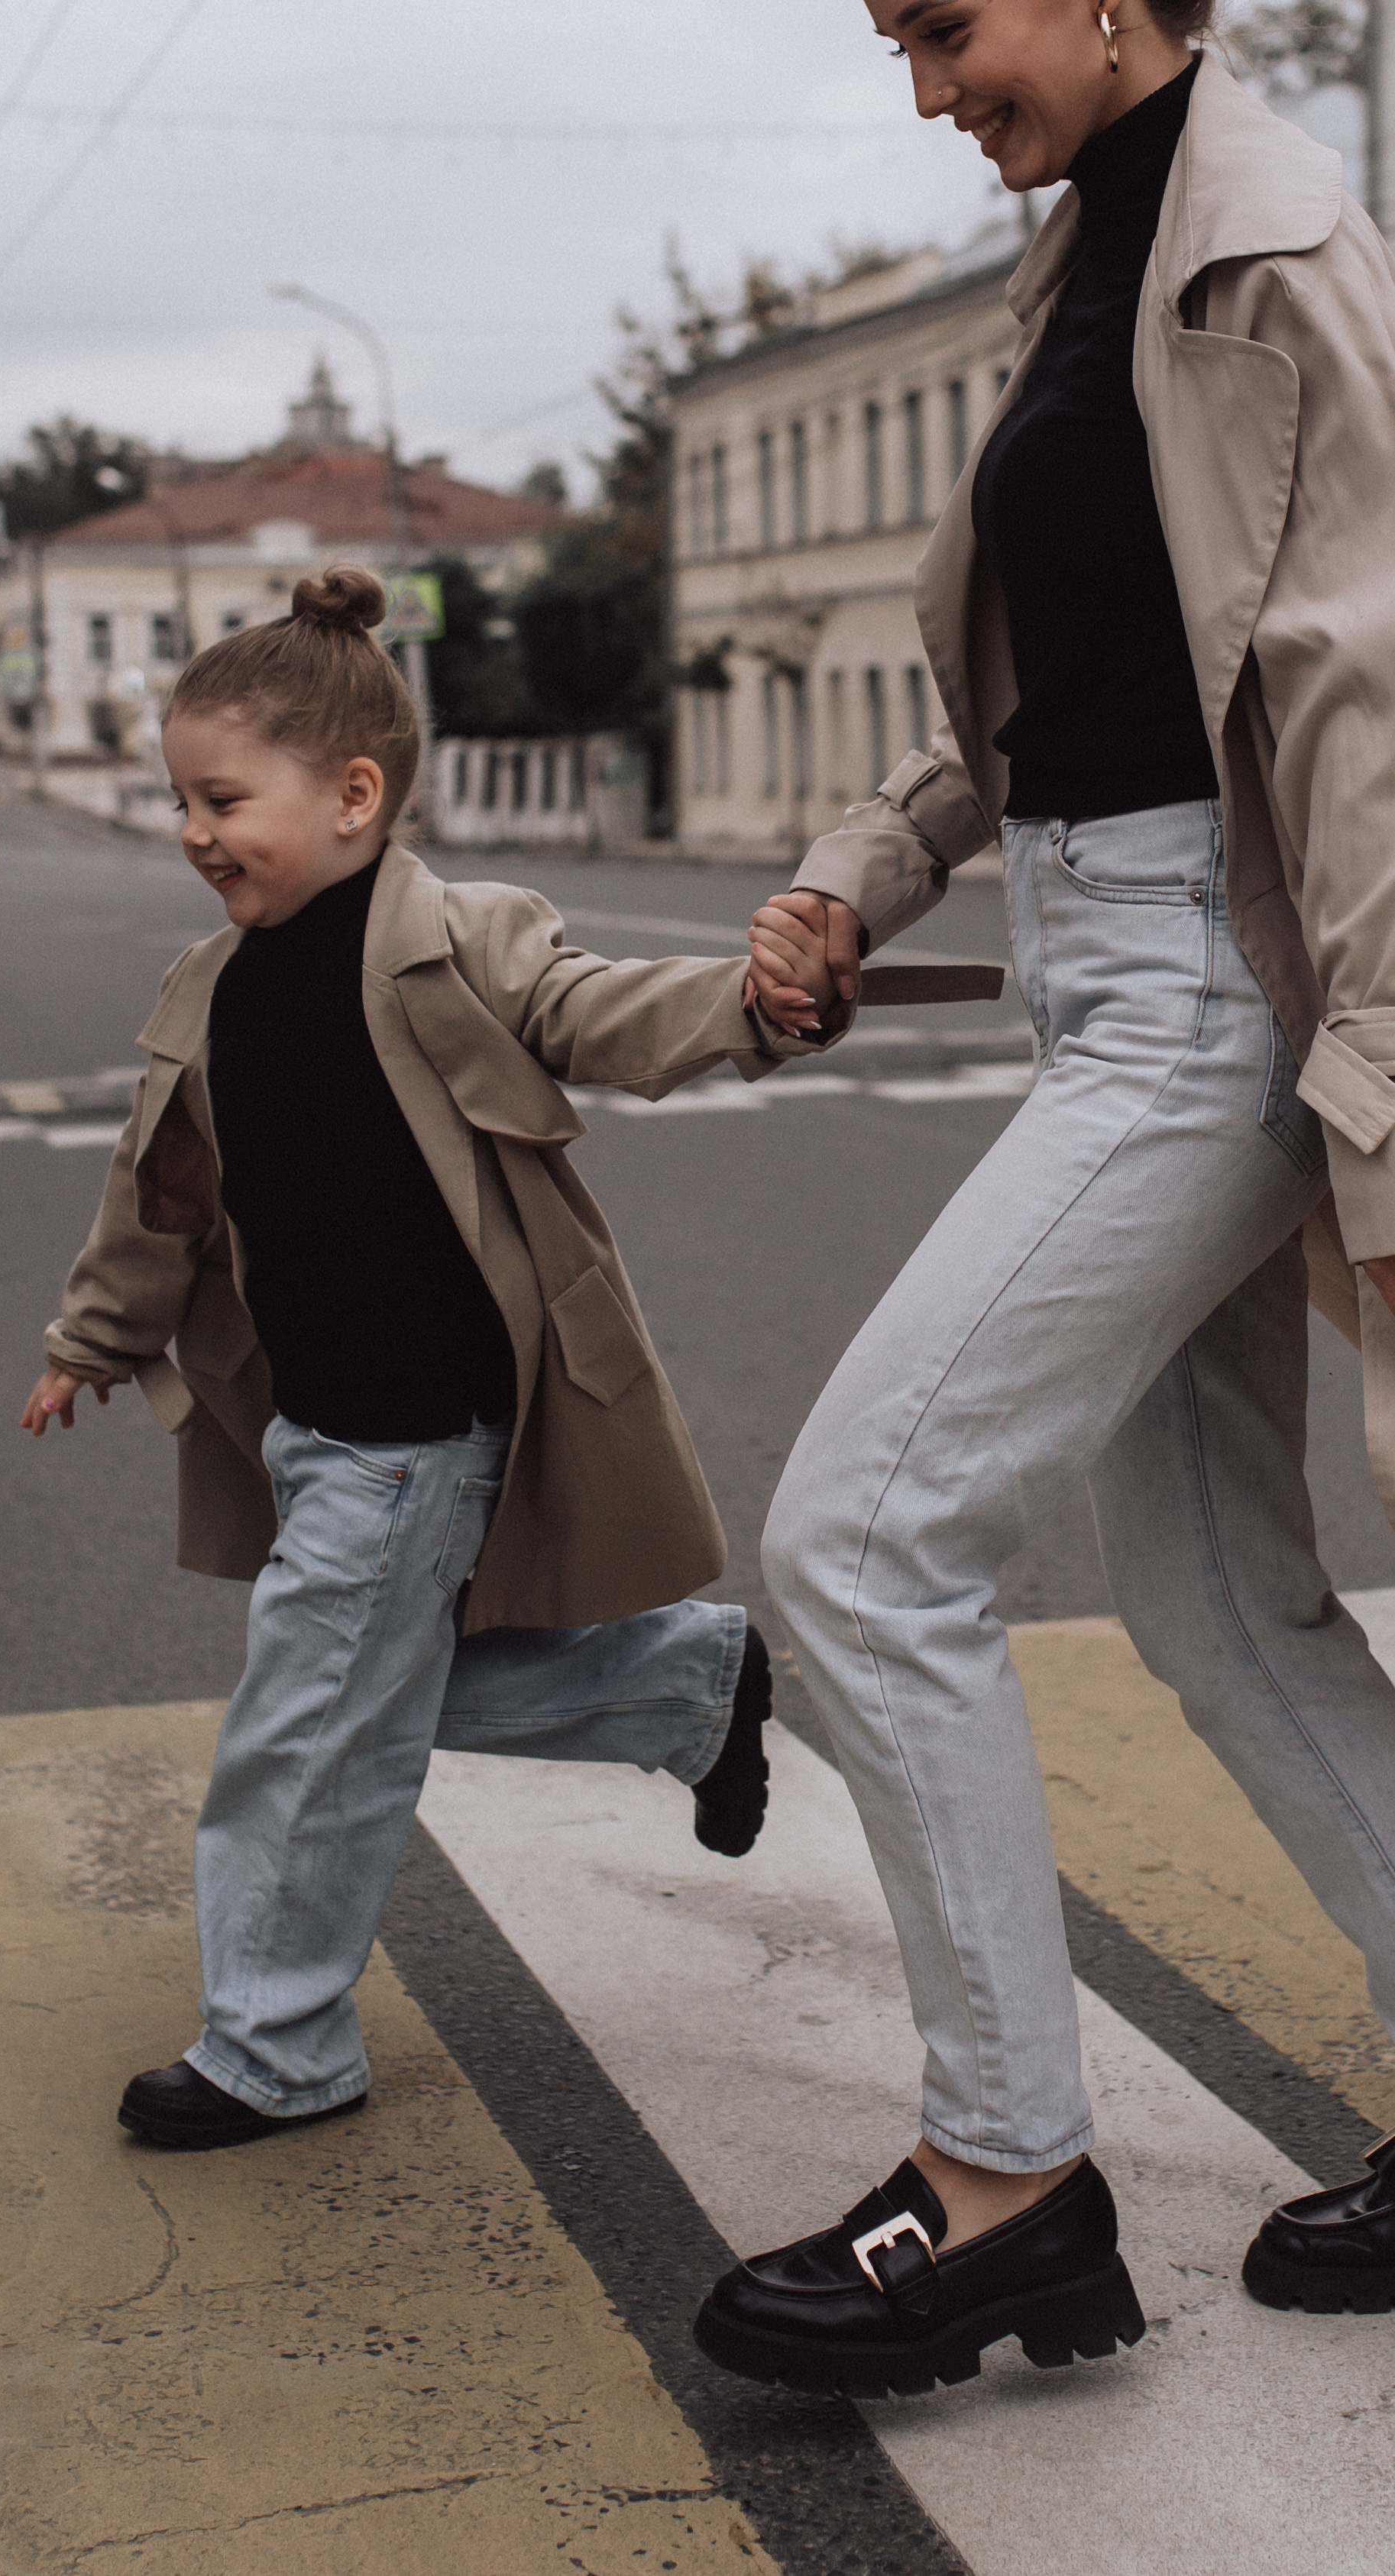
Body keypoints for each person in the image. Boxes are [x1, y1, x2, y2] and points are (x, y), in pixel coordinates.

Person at [697, 5, 1395, 2400]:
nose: (923, 94)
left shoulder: (1270, 240)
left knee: (863, 1539)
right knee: (1211, 1596)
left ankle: (1005, 2177)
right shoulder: (1088, 249)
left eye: (946, 28)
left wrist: (1386, 1087)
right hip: (1113, 966)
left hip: (1221, 980)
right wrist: (861, 870)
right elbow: (1058, 667)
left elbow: (1358, 694)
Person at [21, 563, 848, 2150]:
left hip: (422, 1427)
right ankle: (692, 1684)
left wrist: (757, 1005)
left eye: (222, 799)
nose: (194, 833)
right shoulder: (211, 986)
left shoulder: (457, 939)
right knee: (378, 1697)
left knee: (307, 1723)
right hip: (316, 1429)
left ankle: (276, 2045)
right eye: (179, 800)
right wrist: (94, 1338)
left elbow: (601, 1010)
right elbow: (162, 1192)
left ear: (353, 793)